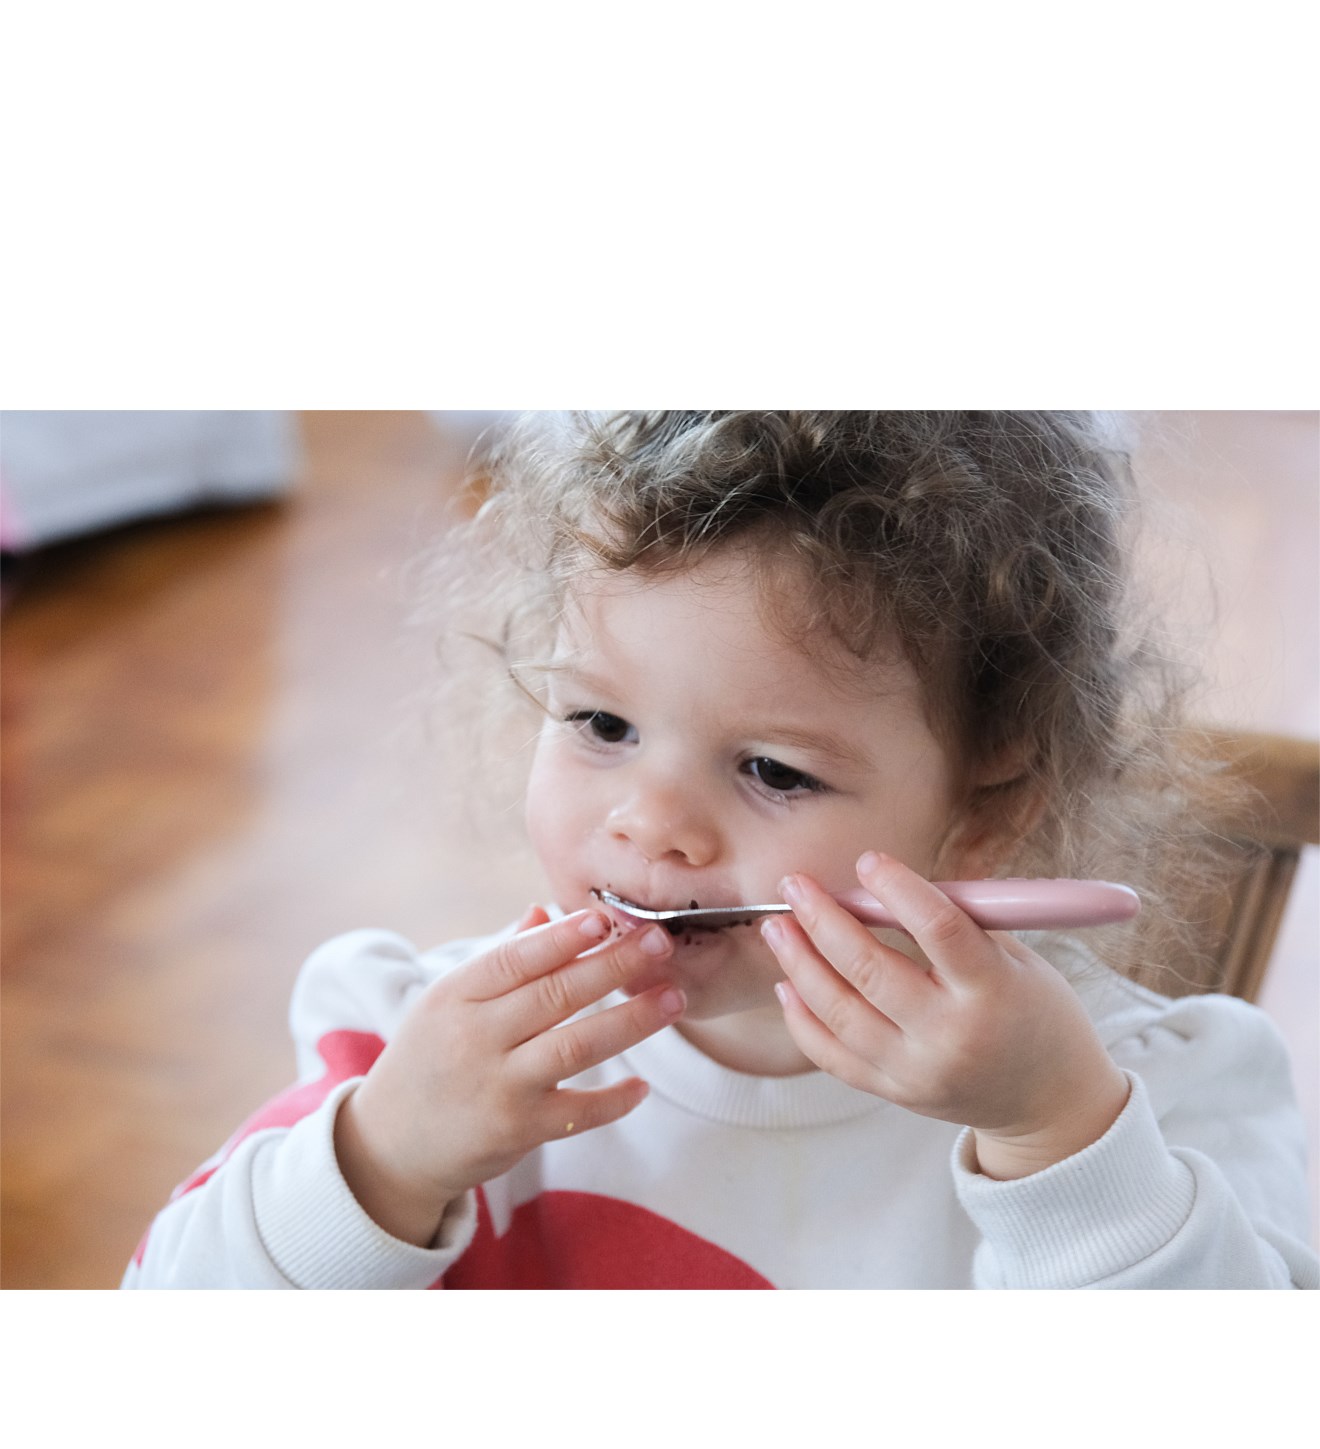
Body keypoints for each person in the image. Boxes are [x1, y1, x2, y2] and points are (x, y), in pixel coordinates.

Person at [123, 412, 1317, 1289]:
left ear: (991, 796)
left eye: (774, 770)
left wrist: (1057, 1139)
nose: (650, 824)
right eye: (602, 724)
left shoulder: (1141, 1099)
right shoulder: (407, 1051)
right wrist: (382, 1162)